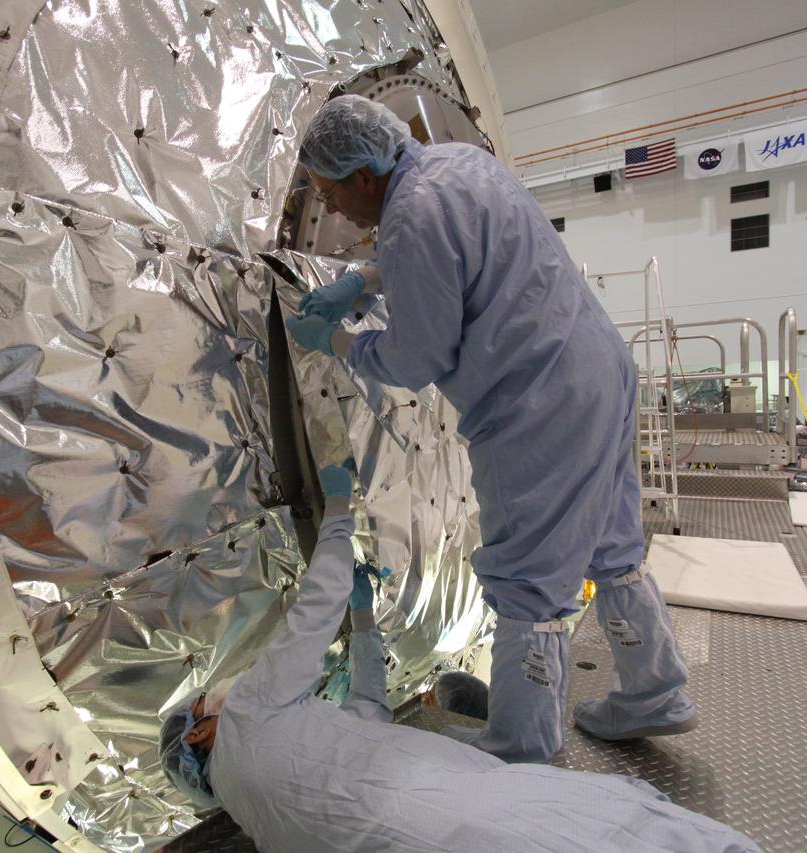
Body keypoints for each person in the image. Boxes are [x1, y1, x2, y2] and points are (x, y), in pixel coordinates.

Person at [284, 95, 697, 762]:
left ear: (365, 175)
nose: (331, 210)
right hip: (600, 369)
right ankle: (655, 690)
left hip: (540, 403)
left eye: (331, 194)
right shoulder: (459, 166)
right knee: (614, 544)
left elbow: (418, 357)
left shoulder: (410, 215)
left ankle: (521, 750)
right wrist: (364, 276)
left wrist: (337, 340)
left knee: (527, 582)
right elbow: (459, 252)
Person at [158, 464, 759, 853]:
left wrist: (365, 620)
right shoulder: (249, 718)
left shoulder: (260, 820)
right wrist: (337, 517)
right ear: (200, 731)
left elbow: (367, 708)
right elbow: (314, 610)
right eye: (209, 700)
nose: (222, 695)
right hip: (483, 821)